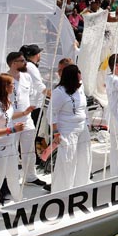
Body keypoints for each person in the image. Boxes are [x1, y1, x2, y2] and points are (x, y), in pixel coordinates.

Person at [0, 74, 27, 207]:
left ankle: (19, 201)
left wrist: (25, 113)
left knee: (14, 176)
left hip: (10, 146)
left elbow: (9, 117)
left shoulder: (7, 103)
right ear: (5, 87)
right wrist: (13, 130)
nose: (14, 86)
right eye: (12, 84)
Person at [50, 64, 91, 192]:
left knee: (85, 158)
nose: (80, 74)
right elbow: (51, 113)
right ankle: (62, 191)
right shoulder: (59, 92)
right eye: (78, 72)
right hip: (67, 131)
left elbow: (84, 108)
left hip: (82, 128)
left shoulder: (80, 88)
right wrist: (56, 133)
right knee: (67, 161)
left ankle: (81, 187)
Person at [6, 51, 43, 187]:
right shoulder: (4, 78)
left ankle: (30, 177)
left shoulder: (27, 77)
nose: (25, 63)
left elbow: (31, 94)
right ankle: (12, 180)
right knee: (12, 152)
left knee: (29, 151)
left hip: (27, 119)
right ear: (13, 63)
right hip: (11, 120)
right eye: (22, 61)